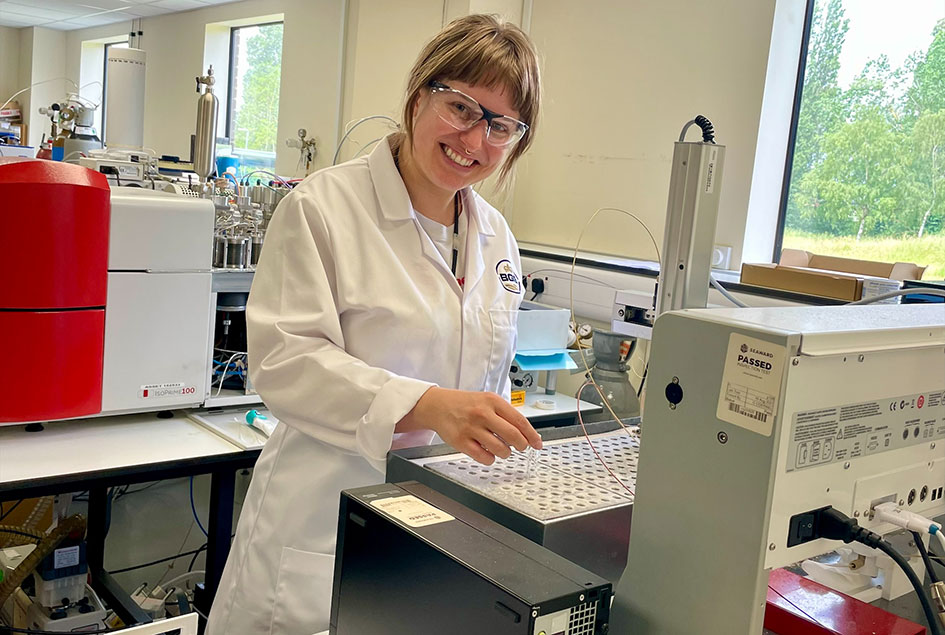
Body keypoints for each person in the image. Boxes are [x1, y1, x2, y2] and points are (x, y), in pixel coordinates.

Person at [206, 14, 543, 635]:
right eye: (462, 108)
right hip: (320, 524)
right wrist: (427, 405)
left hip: (436, 532)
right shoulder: (323, 208)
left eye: (501, 125)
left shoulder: (496, 237)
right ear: (419, 99)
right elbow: (284, 362)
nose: (476, 138)